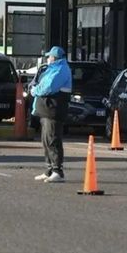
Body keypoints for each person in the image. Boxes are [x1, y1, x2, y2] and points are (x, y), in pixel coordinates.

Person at [31, 46, 72, 183]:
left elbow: (48, 87)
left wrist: (34, 90)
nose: (48, 59)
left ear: (55, 58)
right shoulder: (52, 69)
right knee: (46, 140)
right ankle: (49, 169)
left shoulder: (60, 70)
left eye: (49, 57)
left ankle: (57, 171)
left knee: (53, 140)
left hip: (54, 110)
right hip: (47, 110)